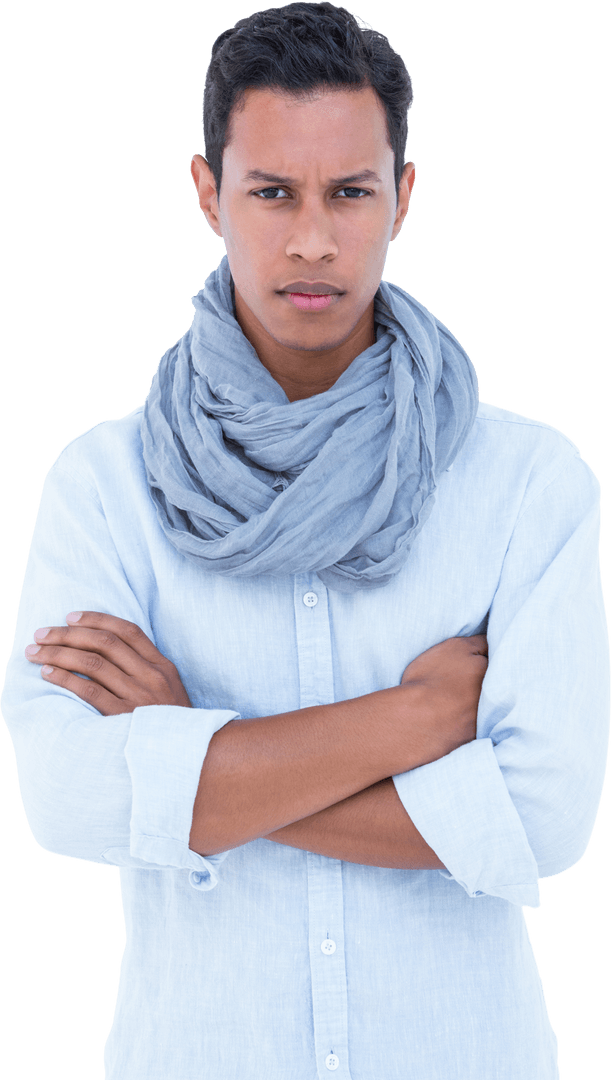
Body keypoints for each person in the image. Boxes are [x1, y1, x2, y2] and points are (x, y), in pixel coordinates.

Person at [1, 3, 608, 1078]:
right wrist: (409, 722)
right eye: (272, 192)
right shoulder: (105, 484)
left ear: (402, 195)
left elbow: (542, 819)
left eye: (350, 193)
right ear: (208, 193)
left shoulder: (523, 481)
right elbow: (65, 797)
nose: (313, 240)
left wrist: (187, 755)